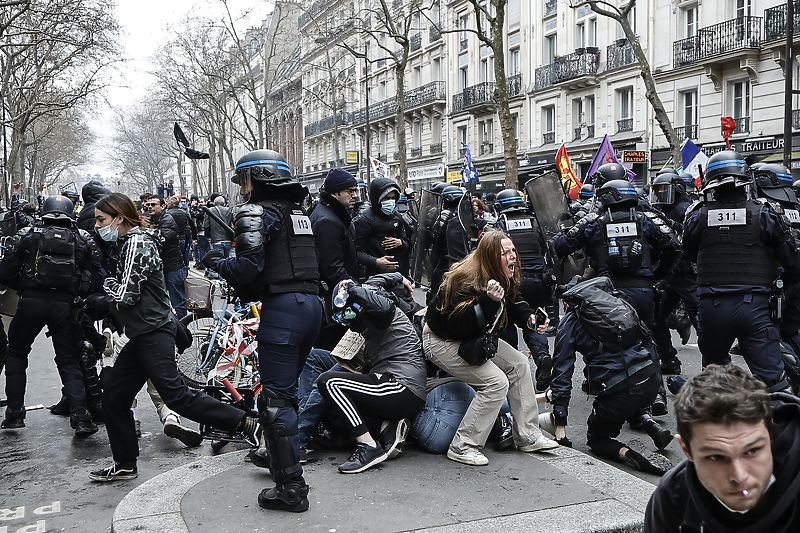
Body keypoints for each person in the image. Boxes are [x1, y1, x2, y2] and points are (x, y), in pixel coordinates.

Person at [88, 193, 260, 481]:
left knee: (176, 396)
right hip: (144, 331)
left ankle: (246, 423)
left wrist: (99, 296)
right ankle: (125, 464)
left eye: (101, 219)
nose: (97, 225)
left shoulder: (136, 243)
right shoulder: (129, 242)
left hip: (152, 331)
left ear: (119, 218)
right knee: (116, 400)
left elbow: (126, 294)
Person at [202, 149, 323, 513]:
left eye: (243, 180)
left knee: (275, 400)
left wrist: (217, 260)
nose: (241, 189)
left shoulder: (258, 212)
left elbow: (247, 271)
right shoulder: (298, 213)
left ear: (257, 178)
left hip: (284, 310)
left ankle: (291, 488)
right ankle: (280, 465)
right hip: (311, 306)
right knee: (286, 395)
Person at [423, 229, 558, 466]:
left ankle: (527, 435)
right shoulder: (468, 279)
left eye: (512, 250)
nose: (513, 256)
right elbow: (457, 327)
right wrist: (488, 302)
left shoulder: (502, 273)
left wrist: (528, 318)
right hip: (441, 341)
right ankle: (463, 445)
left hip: (473, 337)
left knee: (518, 364)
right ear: (490, 257)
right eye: (505, 253)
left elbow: (514, 302)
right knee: (496, 382)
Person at [682, 150, 800, 393]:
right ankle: (781, 427)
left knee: (715, 379)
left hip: (711, 307)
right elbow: (793, 263)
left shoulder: (696, 216)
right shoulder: (765, 213)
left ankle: (720, 426)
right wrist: (778, 286)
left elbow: (690, 255)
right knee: (773, 383)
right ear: (746, 178)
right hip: (755, 307)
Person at [644, 364, 800, 532]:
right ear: (686, 450)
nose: (739, 477)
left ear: (770, 433)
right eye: (716, 457)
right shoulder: (673, 497)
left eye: (752, 451)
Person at [0, 196, 103, 436]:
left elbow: (4, 272)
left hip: (30, 303)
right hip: (65, 305)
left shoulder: (28, 234)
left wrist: (25, 285)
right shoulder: (82, 238)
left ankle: (15, 414)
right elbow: (95, 279)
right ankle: (81, 417)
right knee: (69, 360)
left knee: (16, 356)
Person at [551, 276, 674, 474]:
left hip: (618, 393)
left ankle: (631, 455)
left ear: (569, 301)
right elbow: (649, 341)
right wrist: (658, 387)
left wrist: (560, 422)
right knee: (630, 387)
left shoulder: (570, 321)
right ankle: (649, 423)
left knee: (597, 438)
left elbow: (562, 371)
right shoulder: (621, 305)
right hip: (650, 379)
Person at [316, 278, 426, 473]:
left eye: (348, 314)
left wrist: (352, 288)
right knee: (331, 414)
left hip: (401, 386)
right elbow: (376, 281)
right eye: (342, 319)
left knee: (329, 382)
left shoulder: (383, 310)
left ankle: (368, 446)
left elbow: (377, 302)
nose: (348, 323)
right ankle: (386, 426)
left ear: (360, 304)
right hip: (389, 384)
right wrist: (398, 277)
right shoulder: (371, 312)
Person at [494, 188, 554, 391]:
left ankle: (509, 367)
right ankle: (542, 355)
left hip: (511, 278)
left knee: (507, 320)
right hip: (538, 278)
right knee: (533, 318)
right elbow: (550, 247)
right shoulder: (535, 220)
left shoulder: (498, 224)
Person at [650, 170, 697, 375]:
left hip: (688, 275)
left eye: (664, 190)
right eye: (657, 191)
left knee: (701, 320)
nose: (660, 195)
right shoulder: (666, 208)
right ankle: (669, 360)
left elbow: (688, 238)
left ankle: (715, 367)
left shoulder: (686, 208)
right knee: (656, 317)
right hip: (673, 274)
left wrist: (668, 223)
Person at [309, 168, 360, 350]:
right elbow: (332, 267)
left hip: (336, 300)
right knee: (331, 354)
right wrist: (355, 291)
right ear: (334, 193)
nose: (355, 195)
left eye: (355, 190)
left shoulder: (334, 214)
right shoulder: (327, 221)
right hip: (333, 304)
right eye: (350, 191)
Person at [353, 176, 410, 279]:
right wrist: (376, 262)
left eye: (393, 198)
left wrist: (400, 242)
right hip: (375, 277)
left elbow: (406, 245)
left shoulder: (397, 217)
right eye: (386, 198)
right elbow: (356, 252)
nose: (390, 202)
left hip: (397, 274)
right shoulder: (365, 219)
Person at [144, 196, 188, 319]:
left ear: (163, 206)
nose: (150, 207)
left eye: (153, 204)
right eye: (148, 205)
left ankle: (182, 326)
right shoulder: (149, 220)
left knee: (178, 301)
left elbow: (161, 240)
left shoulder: (167, 220)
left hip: (172, 267)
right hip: (159, 267)